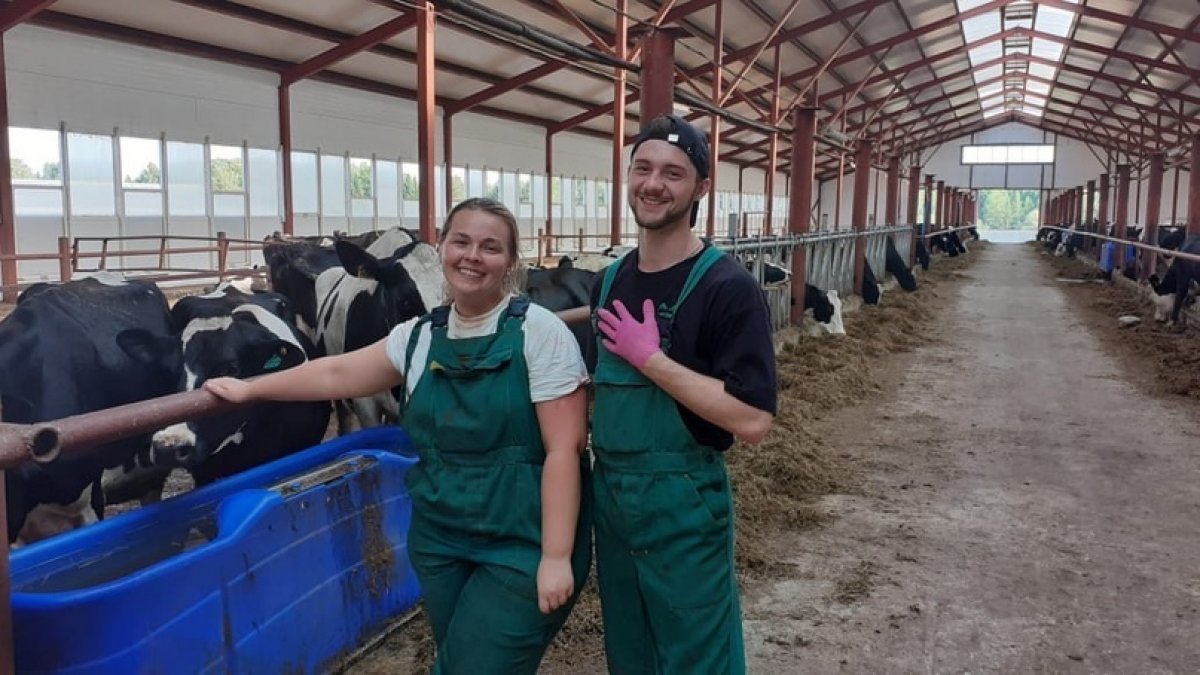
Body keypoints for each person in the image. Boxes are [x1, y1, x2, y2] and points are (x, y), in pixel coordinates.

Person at [204, 198, 592, 674]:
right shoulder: (419, 336)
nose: (472, 256)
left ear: (510, 261)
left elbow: (564, 449)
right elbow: (336, 373)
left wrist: (556, 555)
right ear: (441, 249)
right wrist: (249, 389)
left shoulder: (541, 332)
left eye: (490, 247)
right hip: (441, 539)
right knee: (463, 656)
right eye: (461, 241)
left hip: (523, 540)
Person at [588, 114, 777, 674]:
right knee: (630, 653)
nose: (653, 184)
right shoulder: (608, 281)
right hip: (612, 500)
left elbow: (753, 420)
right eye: (642, 168)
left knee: (697, 657)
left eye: (673, 173)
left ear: (700, 188)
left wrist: (651, 360)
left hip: (685, 505)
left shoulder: (727, 287)